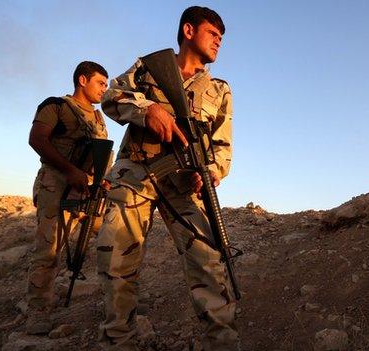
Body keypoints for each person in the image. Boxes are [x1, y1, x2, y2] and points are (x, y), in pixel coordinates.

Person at [96, 6, 237, 351]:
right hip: (135, 174)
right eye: (212, 34)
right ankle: (119, 341)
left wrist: (212, 174)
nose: (219, 41)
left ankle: (221, 342)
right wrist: (148, 110)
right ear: (188, 31)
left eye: (222, 37)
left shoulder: (219, 89)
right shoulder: (149, 67)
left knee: (208, 262)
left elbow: (222, 144)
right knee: (116, 261)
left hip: (183, 182)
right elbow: (110, 97)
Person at [27, 61, 109, 334]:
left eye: (106, 85)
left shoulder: (98, 119)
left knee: (112, 241)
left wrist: (104, 180)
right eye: (100, 83)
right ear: (82, 80)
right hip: (57, 186)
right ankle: (38, 312)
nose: (104, 89)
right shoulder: (56, 106)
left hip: (88, 190)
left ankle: (118, 304)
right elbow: (37, 140)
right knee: (49, 251)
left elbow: (101, 155)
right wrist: (70, 170)